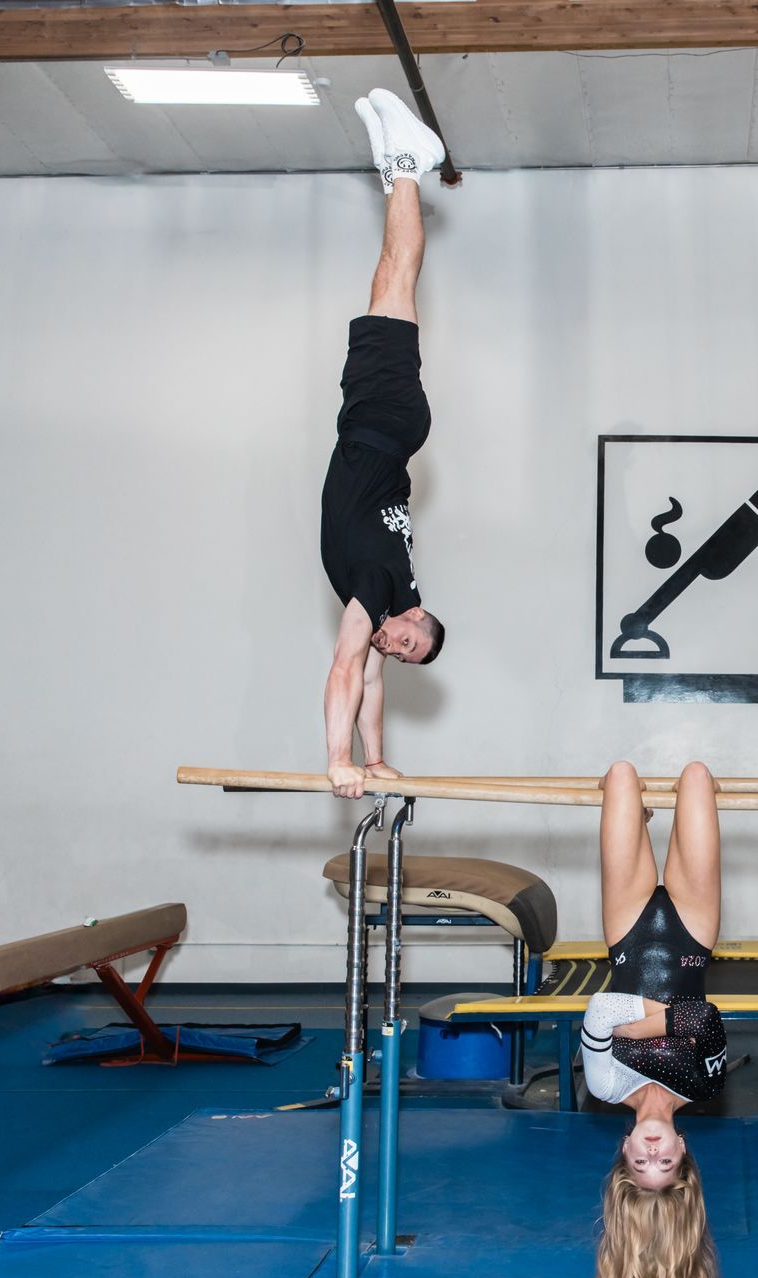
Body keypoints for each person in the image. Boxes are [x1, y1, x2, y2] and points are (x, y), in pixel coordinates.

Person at [321, 89, 450, 800]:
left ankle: (393, 169)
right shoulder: (377, 590)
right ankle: (411, 163)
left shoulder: (394, 594)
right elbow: (344, 670)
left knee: (384, 279)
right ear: (411, 615)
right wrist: (336, 760)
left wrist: (375, 758)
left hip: (381, 427)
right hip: (384, 421)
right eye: (409, 638)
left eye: (402, 653)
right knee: (398, 275)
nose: (393, 647)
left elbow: (368, 680)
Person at [580, 761, 726, 1278]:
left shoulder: (606, 1085)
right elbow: (706, 1016)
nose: (652, 1153)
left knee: (619, 774)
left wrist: (671, 1022)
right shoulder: (705, 1087)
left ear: (625, 1154)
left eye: (641, 1163)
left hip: (627, 931)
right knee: (695, 777)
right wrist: (654, 1024)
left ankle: (632, 815)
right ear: (683, 1153)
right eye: (664, 1162)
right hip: (693, 930)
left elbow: (598, 1010)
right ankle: (638, 819)